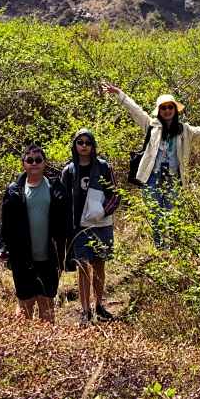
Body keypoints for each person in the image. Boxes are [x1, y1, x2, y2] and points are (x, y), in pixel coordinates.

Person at [100, 84, 200, 248]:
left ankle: (175, 250)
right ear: (159, 110)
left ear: (175, 109)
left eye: (170, 107)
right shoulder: (151, 126)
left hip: (172, 179)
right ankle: (160, 250)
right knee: (156, 216)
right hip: (152, 178)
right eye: (163, 107)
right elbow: (136, 110)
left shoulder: (185, 130)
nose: (167, 110)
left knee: (174, 216)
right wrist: (120, 94)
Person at [0, 145, 71, 322]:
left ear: (45, 163)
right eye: (30, 160)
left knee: (46, 300)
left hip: (50, 256)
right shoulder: (14, 191)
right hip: (22, 256)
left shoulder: (58, 189)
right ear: (23, 164)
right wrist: (2, 246)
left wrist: (68, 250)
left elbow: (67, 222)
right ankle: (24, 344)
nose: (34, 163)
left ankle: (45, 345)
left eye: (38, 160)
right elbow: (5, 223)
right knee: (25, 301)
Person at [60, 129, 120, 326]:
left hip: (101, 225)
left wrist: (102, 211)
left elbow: (115, 195)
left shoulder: (103, 167)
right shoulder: (69, 170)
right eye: (80, 142)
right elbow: (63, 199)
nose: (84, 145)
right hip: (79, 227)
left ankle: (99, 305)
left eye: (87, 142)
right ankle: (85, 311)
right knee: (83, 268)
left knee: (99, 265)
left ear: (93, 145)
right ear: (75, 145)